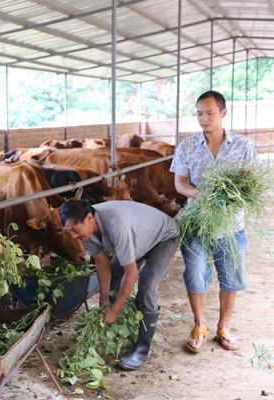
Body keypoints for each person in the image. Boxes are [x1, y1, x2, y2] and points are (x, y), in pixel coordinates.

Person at [170, 90, 260, 353]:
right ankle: (200, 325)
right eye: (199, 113)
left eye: (209, 113)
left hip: (231, 225)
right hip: (196, 224)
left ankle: (223, 326)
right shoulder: (187, 146)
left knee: (230, 278)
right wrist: (199, 194)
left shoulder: (243, 146)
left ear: (223, 113)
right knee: (195, 274)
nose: (203, 118)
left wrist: (235, 193)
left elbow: (251, 182)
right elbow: (179, 183)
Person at [60, 200, 180, 371]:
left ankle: (142, 349)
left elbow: (132, 273)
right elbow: (101, 262)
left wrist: (114, 309)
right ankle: (119, 326)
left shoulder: (117, 226)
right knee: (114, 278)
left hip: (163, 237)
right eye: (68, 231)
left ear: (89, 218)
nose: (72, 236)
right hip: (138, 238)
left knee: (146, 285)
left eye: (74, 230)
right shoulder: (85, 231)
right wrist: (104, 299)